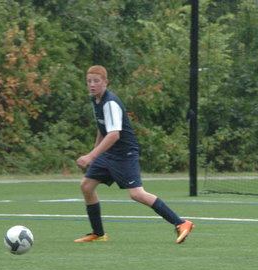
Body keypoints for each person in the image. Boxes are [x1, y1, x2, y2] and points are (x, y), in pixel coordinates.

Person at [74, 65, 194, 243]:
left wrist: (91, 156)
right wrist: (95, 152)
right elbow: (102, 128)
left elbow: (114, 135)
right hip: (108, 153)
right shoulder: (96, 101)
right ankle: (98, 234)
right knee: (86, 186)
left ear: (105, 82)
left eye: (96, 81)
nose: (92, 85)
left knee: (137, 194)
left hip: (124, 154)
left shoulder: (110, 103)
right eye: (89, 81)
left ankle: (181, 223)